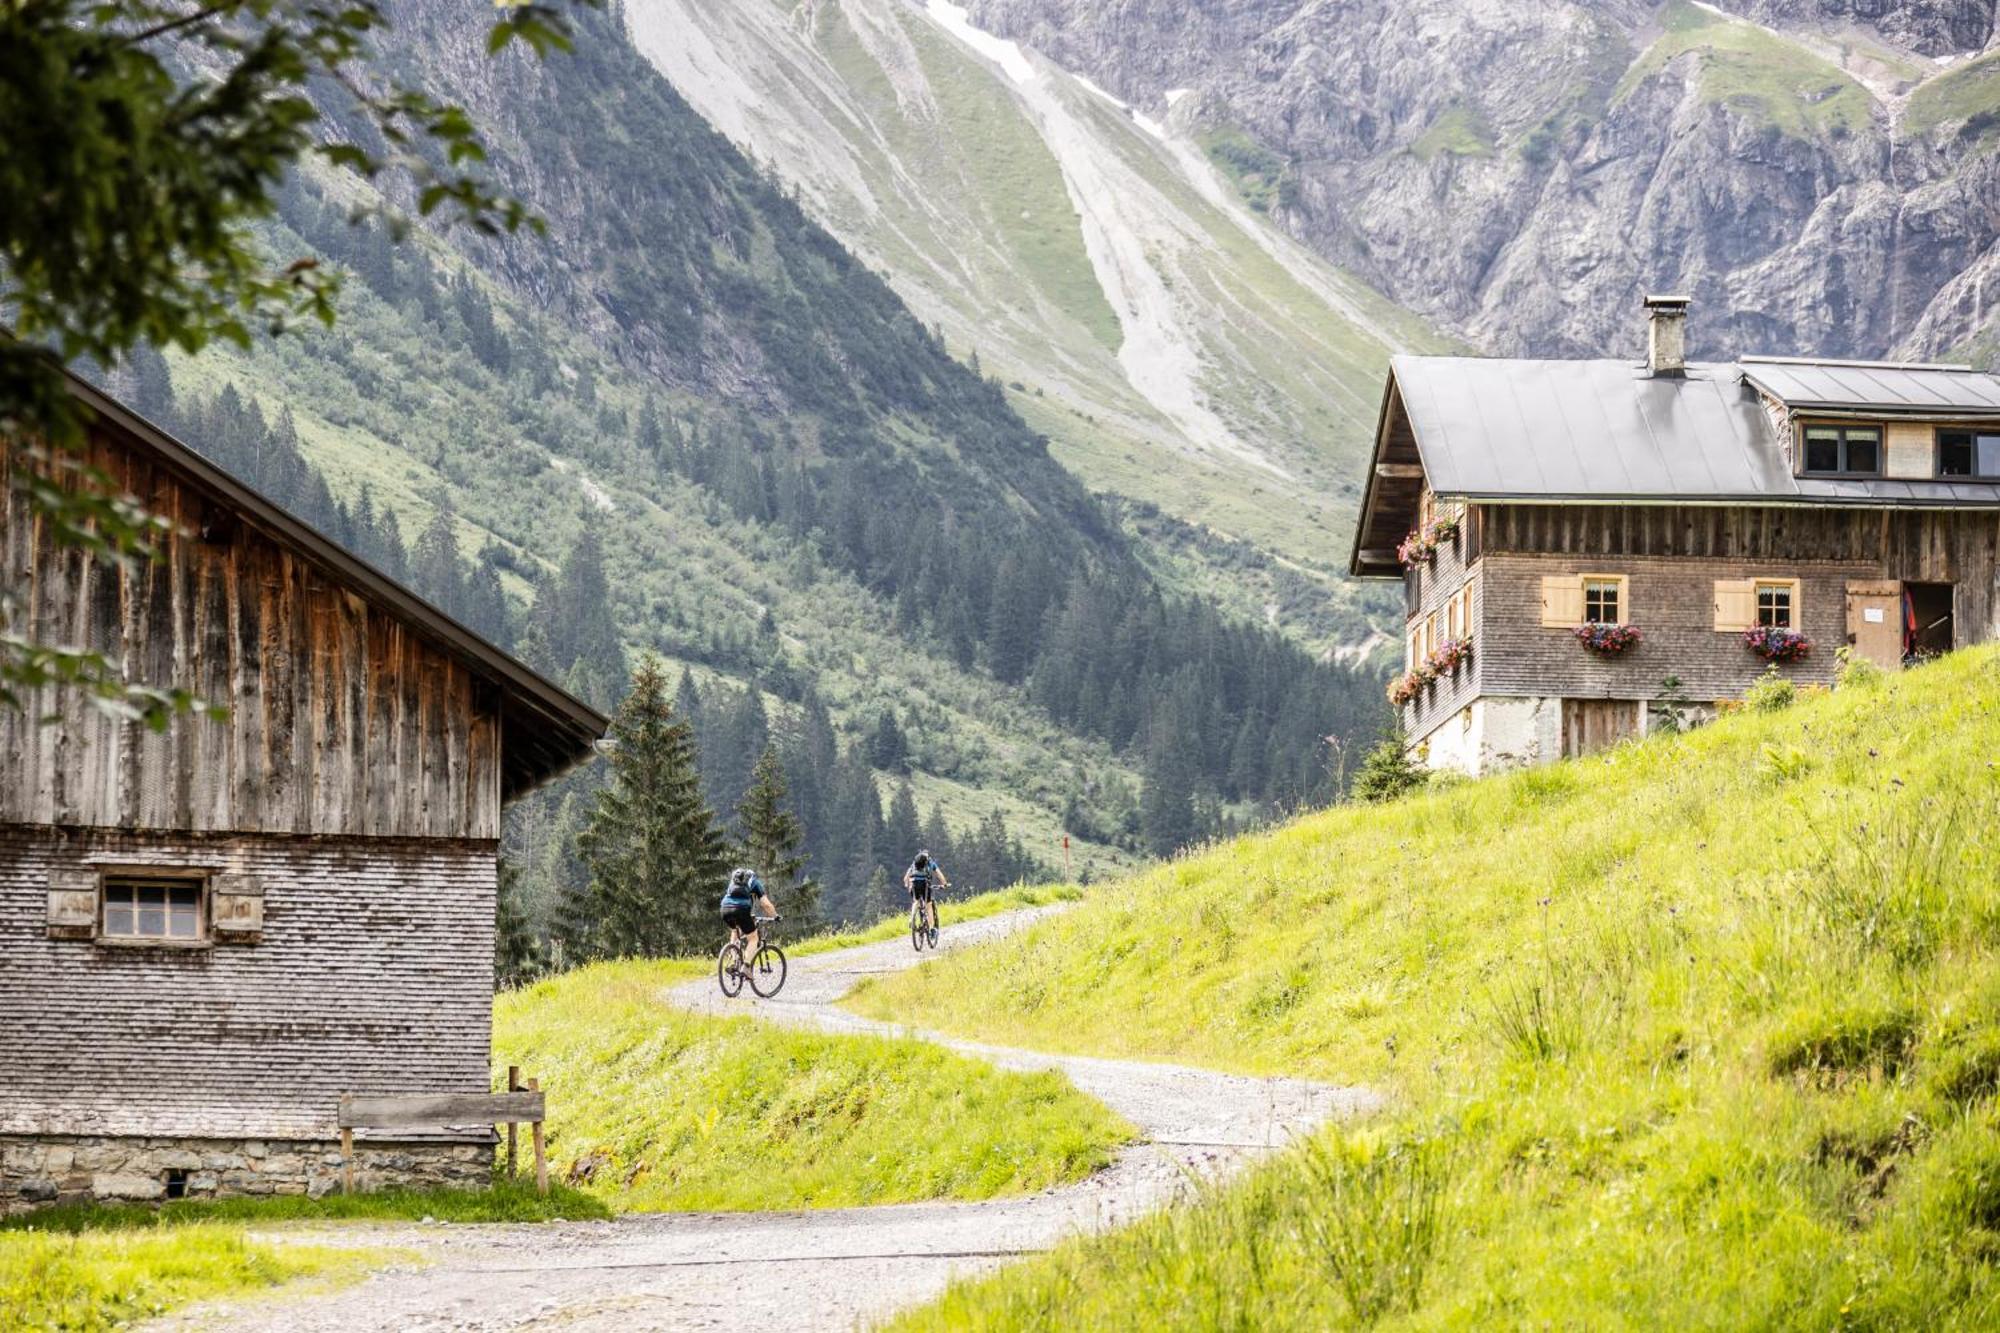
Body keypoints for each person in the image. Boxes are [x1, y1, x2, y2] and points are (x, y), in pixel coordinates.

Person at [719, 866, 777, 967]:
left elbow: (734, 900)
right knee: (754, 938)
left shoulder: (733, 882)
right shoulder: (754, 882)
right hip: (741, 910)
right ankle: (746, 967)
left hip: (725, 908)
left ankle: (734, 961)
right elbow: (766, 904)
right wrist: (775, 916)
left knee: (735, 930)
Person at [903, 850, 948, 933]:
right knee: (929, 905)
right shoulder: (931, 863)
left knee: (916, 901)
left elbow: (906, 877)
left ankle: (912, 919)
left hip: (914, 883)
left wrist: (907, 884)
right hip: (925, 884)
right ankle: (931, 929)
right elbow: (939, 874)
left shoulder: (914, 864)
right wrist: (944, 884)